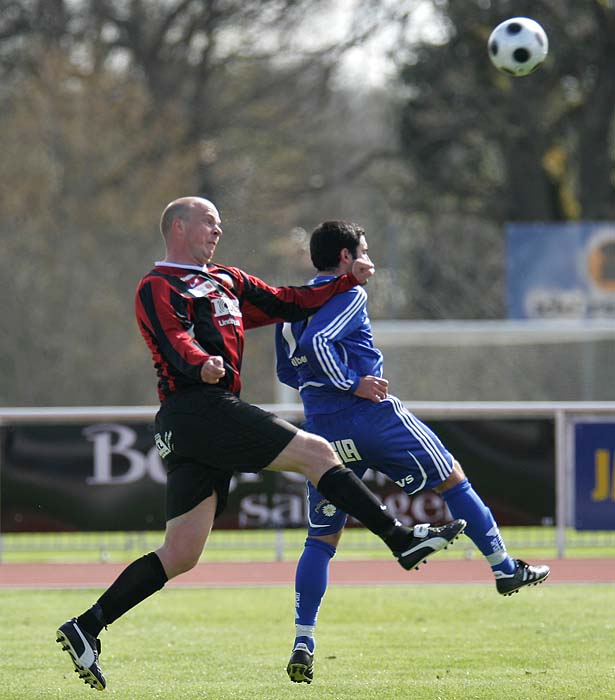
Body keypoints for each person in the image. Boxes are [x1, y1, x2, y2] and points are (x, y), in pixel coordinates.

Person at [55, 197, 466, 691]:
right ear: (178, 227)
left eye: (220, 224)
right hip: (197, 408)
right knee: (319, 454)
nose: (217, 230)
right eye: (209, 222)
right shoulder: (158, 284)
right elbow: (170, 336)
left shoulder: (227, 279)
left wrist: (346, 280)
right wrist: (199, 362)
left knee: (182, 552)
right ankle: (400, 539)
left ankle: (87, 626)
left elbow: (289, 301)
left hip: (199, 424)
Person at [275, 220, 550, 685]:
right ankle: (504, 568)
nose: (369, 258)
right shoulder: (348, 293)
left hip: (321, 429)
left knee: (321, 539)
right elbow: (318, 342)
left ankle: (304, 638)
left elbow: (289, 369)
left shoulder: (291, 306)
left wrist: (324, 388)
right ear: (344, 256)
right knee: (453, 480)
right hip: (372, 417)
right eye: (363, 249)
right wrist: (351, 383)